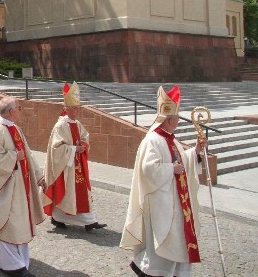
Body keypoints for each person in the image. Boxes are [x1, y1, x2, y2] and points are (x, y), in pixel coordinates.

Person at [121, 85, 206, 277]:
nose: (177, 121)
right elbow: (148, 169)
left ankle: (172, 271)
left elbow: (182, 161)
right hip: (161, 200)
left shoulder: (171, 139)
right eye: (175, 118)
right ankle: (150, 269)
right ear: (168, 119)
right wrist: (171, 169)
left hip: (175, 201)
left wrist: (196, 152)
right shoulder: (153, 140)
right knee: (164, 239)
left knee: (177, 238)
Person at [0, 97, 46, 276]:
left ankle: (12, 259)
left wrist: (38, 176)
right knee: (7, 223)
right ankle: (13, 266)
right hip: (4, 188)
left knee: (18, 223)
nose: (21, 111)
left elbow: (27, 154)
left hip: (20, 186)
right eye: (19, 108)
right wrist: (14, 156)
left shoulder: (15, 129)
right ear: (11, 111)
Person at [43, 81, 107, 231]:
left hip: (77, 164)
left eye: (78, 109)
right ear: (67, 109)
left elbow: (85, 137)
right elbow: (56, 148)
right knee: (67, 193)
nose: (78, 111)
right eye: (75, 109)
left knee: (80, 192)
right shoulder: (61, 125)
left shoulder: (76, 123)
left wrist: (82, 146)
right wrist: (73, 149)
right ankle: (60, 217)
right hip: (66, 167)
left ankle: (87, 220)